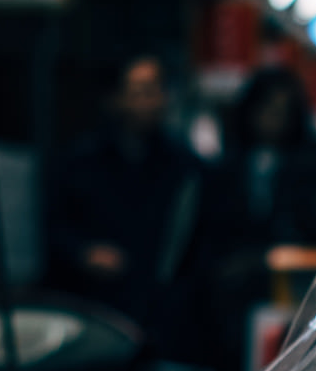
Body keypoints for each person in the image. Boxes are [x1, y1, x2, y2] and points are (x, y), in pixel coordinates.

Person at [51, 54, 204, 349]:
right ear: (116, 98)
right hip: (93, 305)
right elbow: (56, 226)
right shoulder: (81, 162)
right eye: (140, 91)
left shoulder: (184, 168)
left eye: (157, 90)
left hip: (161, 312)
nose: (152, 101)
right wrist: (83, 252)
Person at [198, 62, 316, 371]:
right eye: (266, 109)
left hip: (293, 289)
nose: (273, 119)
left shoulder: (310, 165)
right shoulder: (225, 169)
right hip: (233, 295)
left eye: (282, 111)